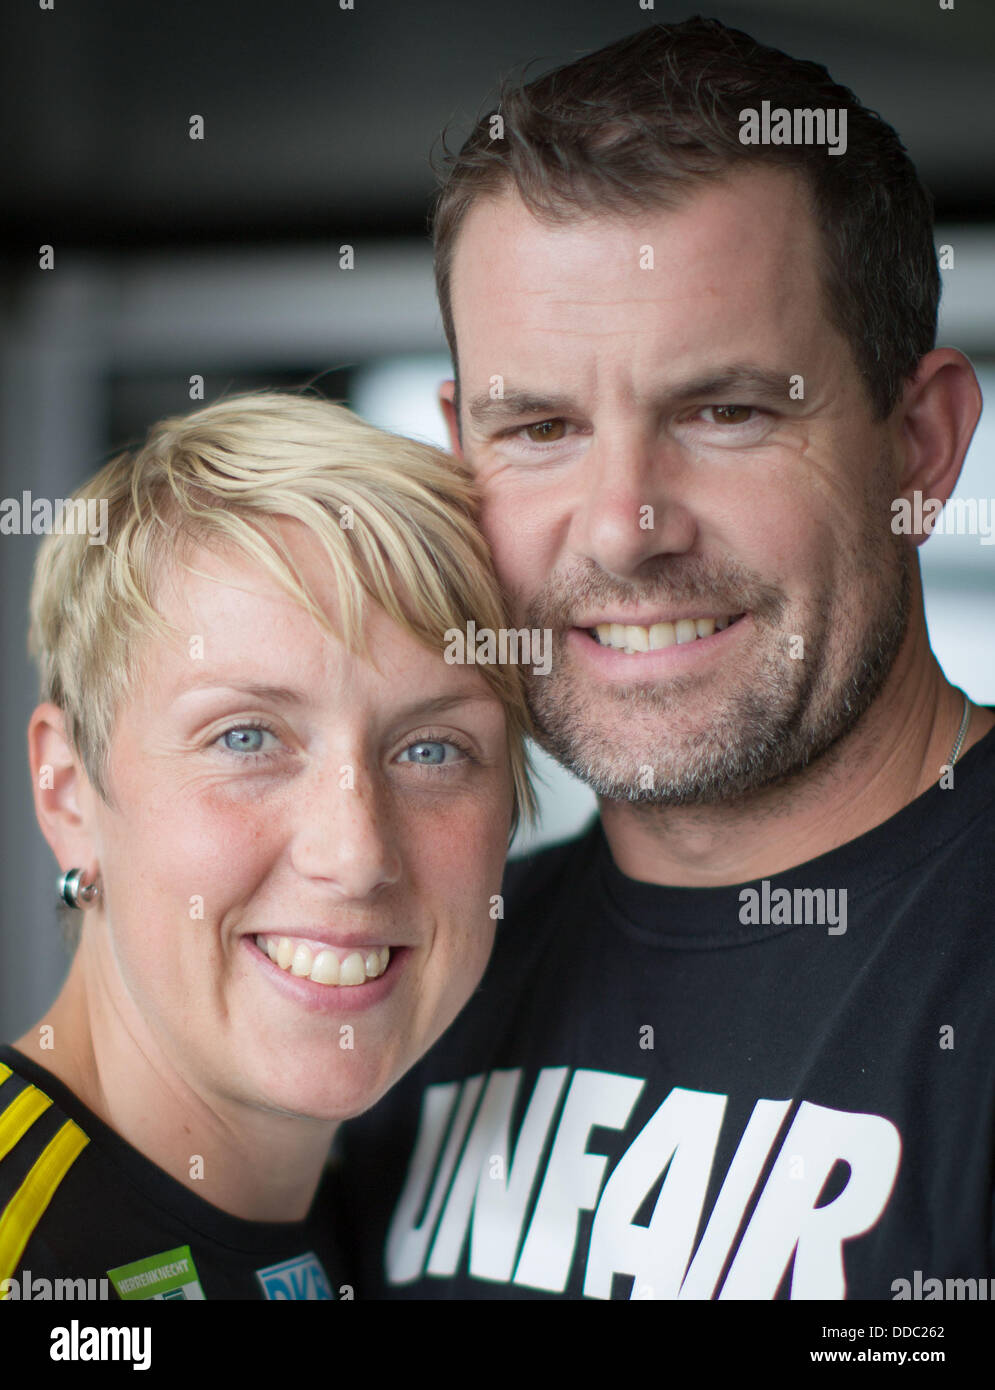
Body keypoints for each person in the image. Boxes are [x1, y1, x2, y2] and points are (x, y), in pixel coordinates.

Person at [336, 18, 995, 1300]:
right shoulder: (411, 985)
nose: (624, 527)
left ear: (917, 447)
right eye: (538, 427)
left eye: (725, 410)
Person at [0, 391, 536, 1301]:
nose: (356, 851)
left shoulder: (382, 1209)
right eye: (245, 738)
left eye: (432, 749)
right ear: (69, 791)